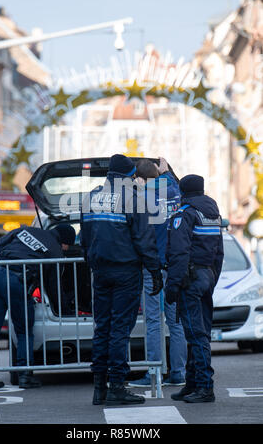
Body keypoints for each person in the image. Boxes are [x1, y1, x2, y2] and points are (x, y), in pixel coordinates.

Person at [80, 154, 163, 406]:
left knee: (102, 327)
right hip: (126, 272)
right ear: (128, 176)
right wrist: (155, 271)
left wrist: (91, 262)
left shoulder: (91, 197)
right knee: (119, 328)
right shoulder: (134, 198)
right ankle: (116, 385)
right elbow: (144, 240)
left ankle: (99, 389)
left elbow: (84, 238)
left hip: (100, 272)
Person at [0, 223, 76, 390]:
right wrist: (65, 310)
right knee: (23, 331)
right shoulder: (55, 251)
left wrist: (13, 254)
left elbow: (1, 244)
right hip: (18, 281)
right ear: (64, 242)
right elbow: (54, 287)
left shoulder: (26, 230)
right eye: (68, 246)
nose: (67, 250)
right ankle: (25, 376)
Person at [128, 157, 187, 388]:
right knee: (176, 321)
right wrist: (166, 172)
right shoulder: (174, 189)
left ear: (140, 179)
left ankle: (154, 373)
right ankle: (179, 373)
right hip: (174, 266)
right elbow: (172, 183)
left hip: (153, 267)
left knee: (153, 320)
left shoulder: (141, 198)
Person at [165, 174, 224, 403]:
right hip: (206, 275)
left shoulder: (185, 214)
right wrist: (211, 278)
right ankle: (191, 384)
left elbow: (179, 253)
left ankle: (205, 387)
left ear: (183, 191)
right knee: (199, 333)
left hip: (189, 279)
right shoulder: (212, 214)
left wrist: (172, 286)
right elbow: (219, 252)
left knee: (196, 335)